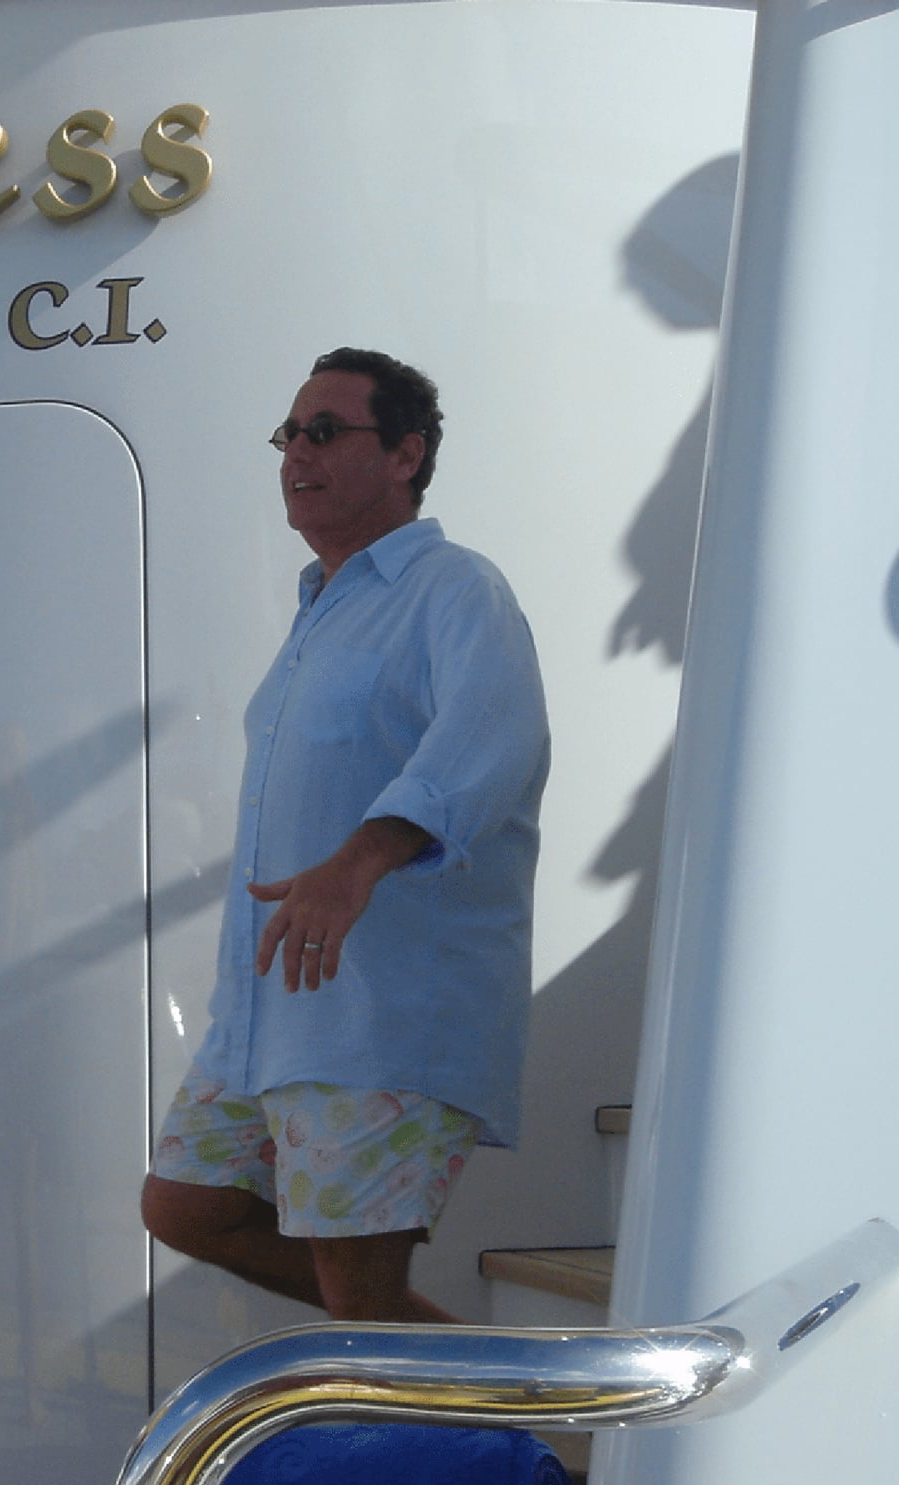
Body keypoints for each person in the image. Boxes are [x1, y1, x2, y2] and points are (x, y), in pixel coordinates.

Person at [142, 349, 550, 1323]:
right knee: (185, 1207)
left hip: (384, 1014)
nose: (295, 452)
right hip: (273, 1014)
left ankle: (513, 1437)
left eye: (325, 430)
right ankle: (498, 1386)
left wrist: (357, 862)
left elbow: (492, 739)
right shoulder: (323, 609)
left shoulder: (453, 587)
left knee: (361, 1294)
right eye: (289, 433)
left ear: (406, 453)